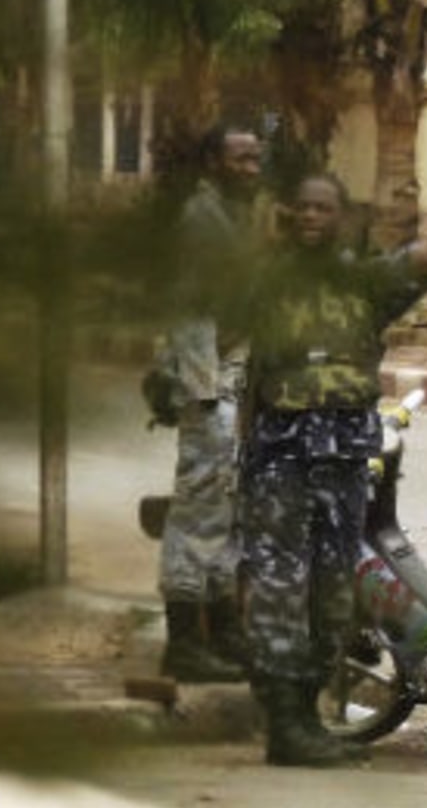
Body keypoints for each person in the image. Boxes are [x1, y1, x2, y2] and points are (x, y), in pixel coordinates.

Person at [233, 173, 427, 767]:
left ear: (342, 218)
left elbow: (424, 257)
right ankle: (285, 725)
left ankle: (305, 722)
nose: (314, 217)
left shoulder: (364, 285)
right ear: (290, 216)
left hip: (344, 465)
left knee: (333, 596)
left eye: (325, 208)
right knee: (276, 593)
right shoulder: (265, 281)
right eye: (304, 208)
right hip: (280, 464)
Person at [149, 123, 263, 684]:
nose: (251, 168)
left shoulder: (233, 215)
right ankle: (183, 642)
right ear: (215, 162)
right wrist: (204, 397)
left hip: (228, 381)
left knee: (225, 514)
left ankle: (223, 632)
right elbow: (189, 311)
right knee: (196, 514)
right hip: (206, 386)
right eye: (240, 160)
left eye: (255, 159)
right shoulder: (202, 219)